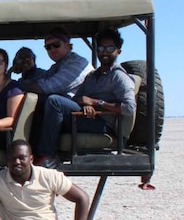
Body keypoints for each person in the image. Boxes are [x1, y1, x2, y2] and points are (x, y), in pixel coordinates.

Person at [36, 28, 137, 168]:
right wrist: (85, 104)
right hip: (88, 116)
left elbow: (129, 108)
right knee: (43, 103)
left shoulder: (119, 76)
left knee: (54, 101)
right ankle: (31, 153)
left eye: (110, 48)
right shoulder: (92, 76)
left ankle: (48, 156)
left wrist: (97, 103)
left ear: (118, 51)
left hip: (104, 124)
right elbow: (78, 98)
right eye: (101, 47)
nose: (104, 51)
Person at [18, 27, 93, 98]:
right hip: (65, 105)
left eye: (56, 45)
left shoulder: (77, 62)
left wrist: (16, 87)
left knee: (49, 100)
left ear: (67, 45)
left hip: (82, 107)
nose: (52, 49)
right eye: (48, 47)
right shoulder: (55, 67)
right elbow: (39, 80)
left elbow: (49, 87)